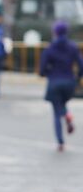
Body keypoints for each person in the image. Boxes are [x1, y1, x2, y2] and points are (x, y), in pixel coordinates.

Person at [39, 21, 82, 152]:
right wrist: (77, 79)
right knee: (62, 104)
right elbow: (81, 65)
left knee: (57, 112)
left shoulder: (50, 48)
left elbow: (42, 69)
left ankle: (60, 141)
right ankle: (67, 114)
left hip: (55, 82)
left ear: (55, 32)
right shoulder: (73, 47)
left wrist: (48, 73)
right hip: (69, 82)